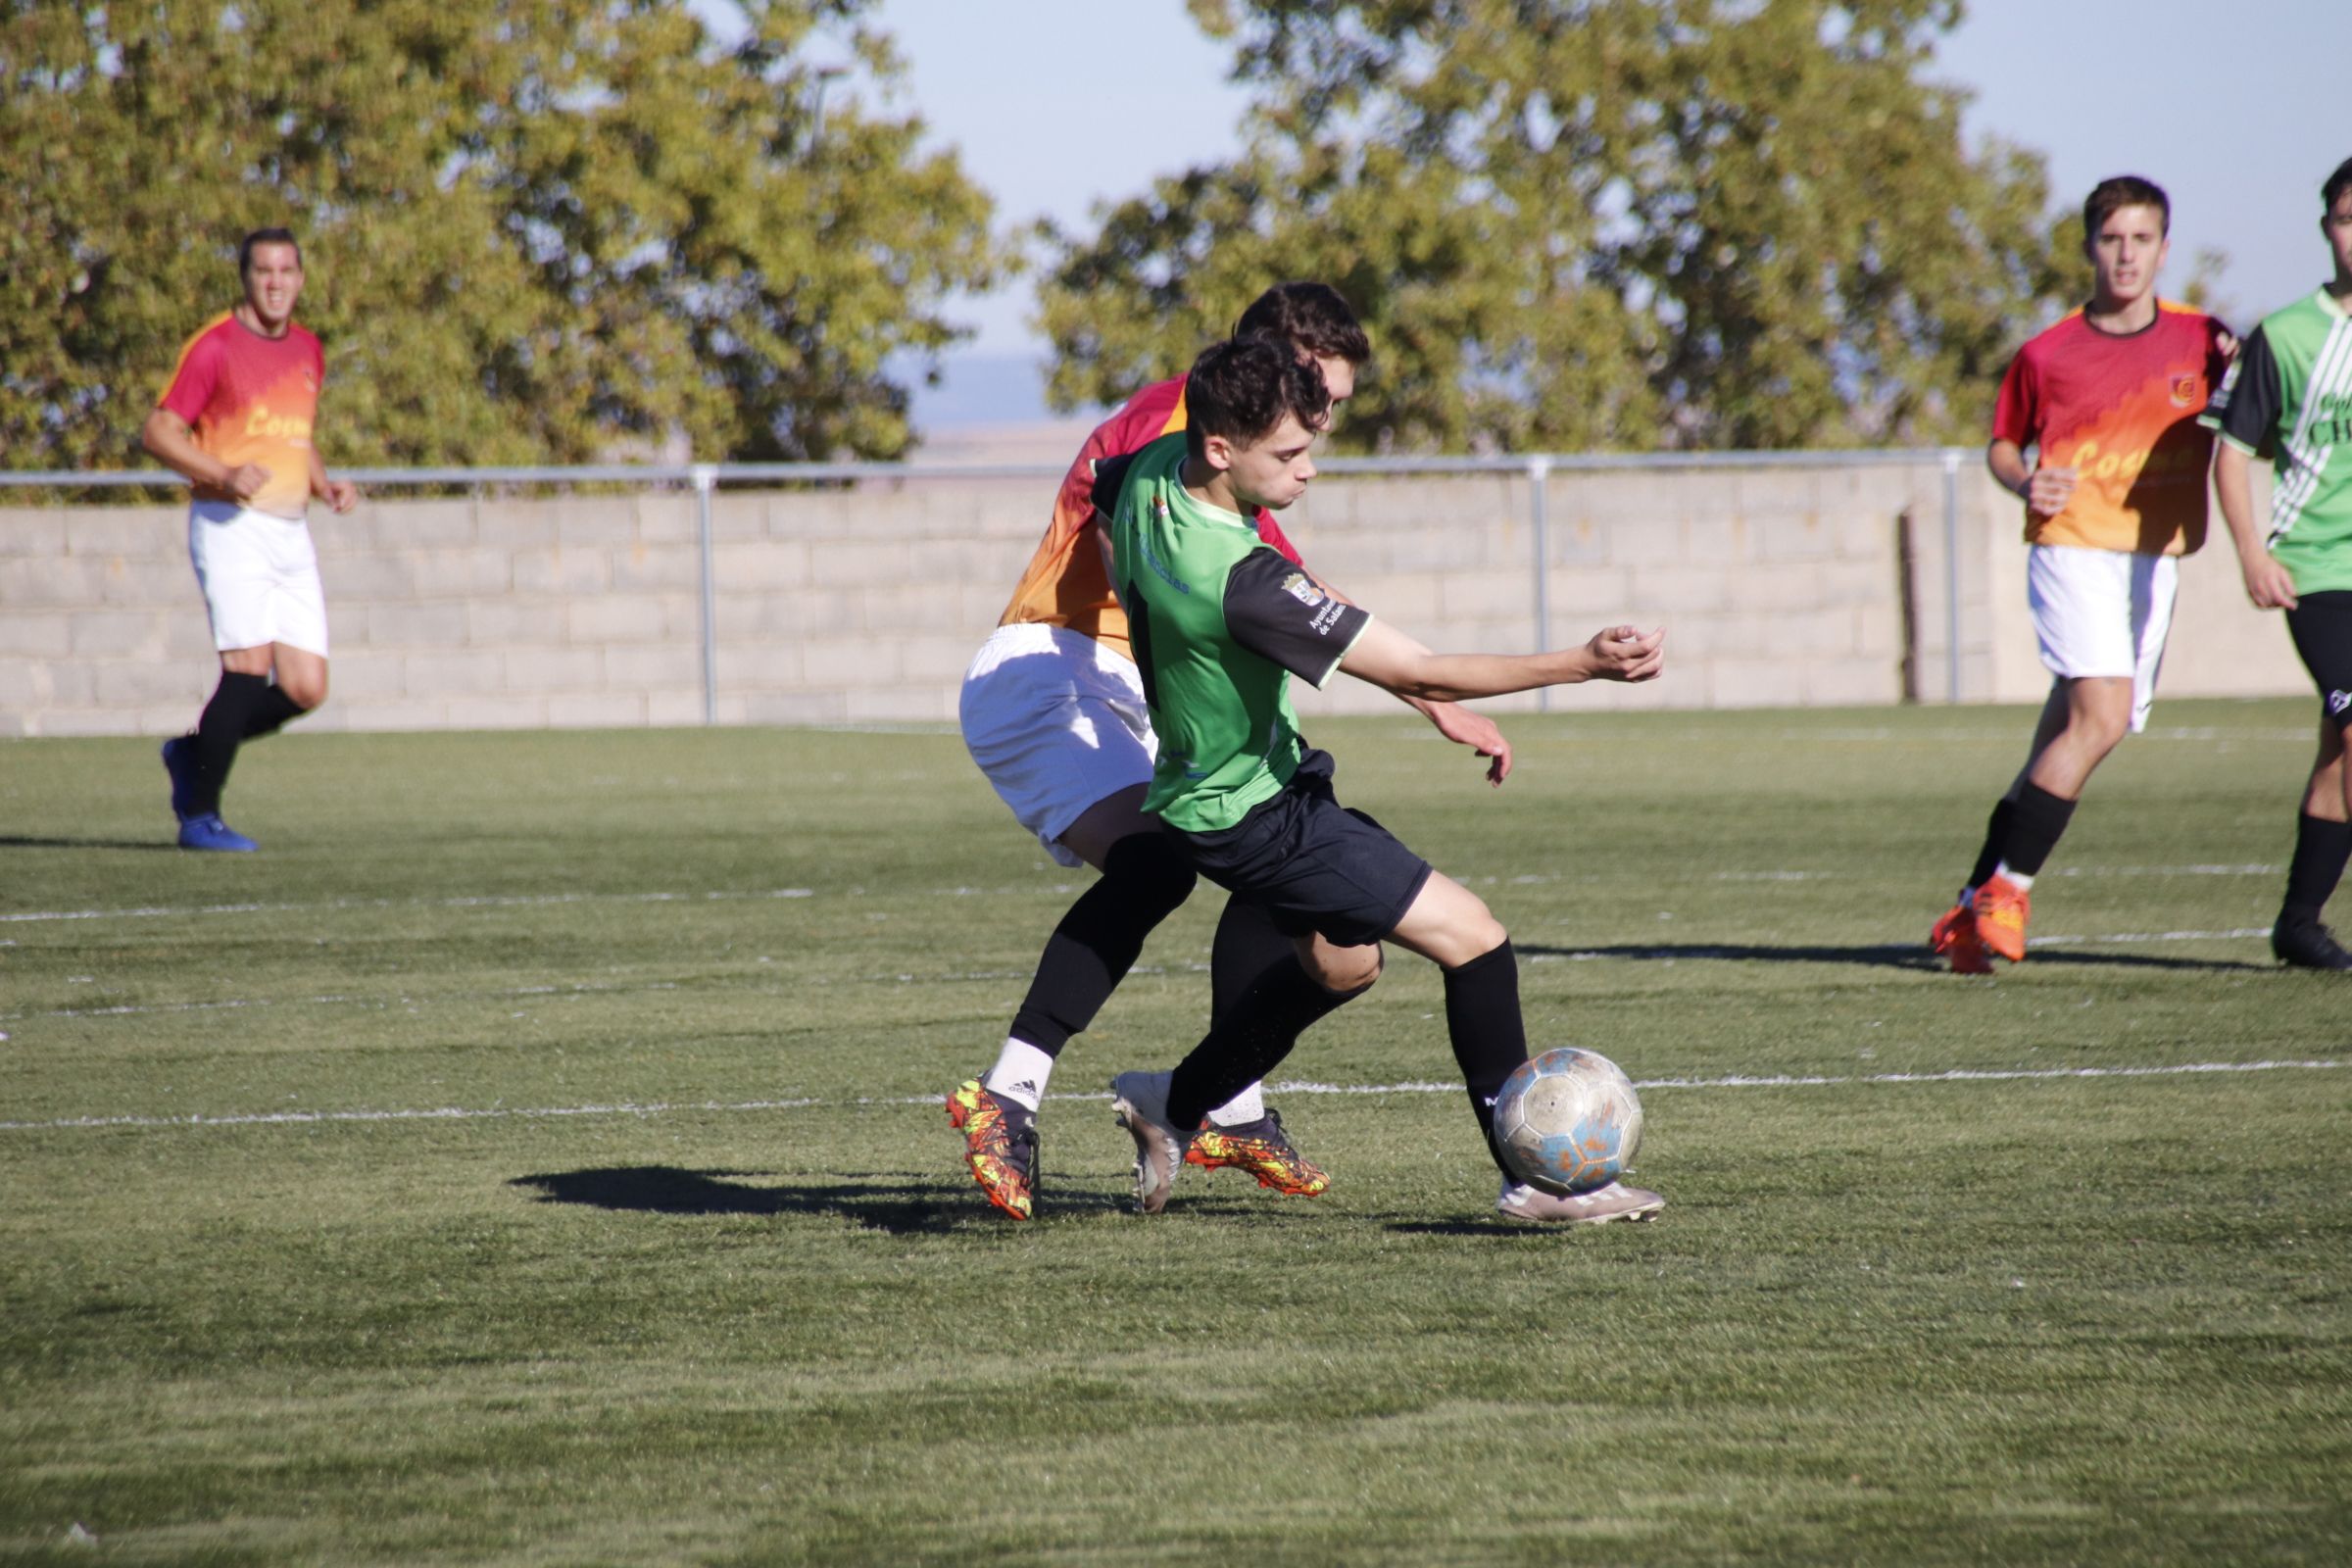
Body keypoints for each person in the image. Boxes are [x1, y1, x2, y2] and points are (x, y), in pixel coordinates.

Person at [947, 284, 1512, 1220]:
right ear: (1269, 367)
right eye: (1316, 397)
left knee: (1264, 853)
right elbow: (1141, 507)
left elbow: (1301, 603)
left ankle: (1217, 1103)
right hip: (1056, 662)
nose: (1322, 425)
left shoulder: (1232, 466)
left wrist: (1427, 701)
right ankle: (1006, 1096)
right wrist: (1432, 691)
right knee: (1167, 859)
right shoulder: (1179, 425)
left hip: (1122, 683)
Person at [1100, 334, 1668, 1224]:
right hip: (1255, 813)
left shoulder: (1149, 473)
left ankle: (1172, 1099)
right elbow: (1428, 669)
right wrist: (1581, 663)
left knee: (1343, 964)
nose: (1309, 471)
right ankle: (1537, 1181)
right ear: (1221, 449)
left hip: (1213, 791)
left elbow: (1099, 492)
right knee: (1474, 938)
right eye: (1288, 454)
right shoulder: (1246, 584)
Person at [1930, 177, 2232, 973]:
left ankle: (1969, 907)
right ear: (2090, 247)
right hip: (2071, 546)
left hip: (2154, 557)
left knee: (2066, 733)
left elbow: (2248, 421)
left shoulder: (2208, 341)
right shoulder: (2048, 352)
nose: (2126, 255)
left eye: (2141, 239)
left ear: (2164, 249)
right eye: (2112, 239)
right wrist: (2025, 479)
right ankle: (2010, 891)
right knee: (2102, 718)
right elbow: (2001, 444)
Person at [141, 227, 358, 853]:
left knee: (304, 688)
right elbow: (158, 432)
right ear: (246, 277)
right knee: (245, 670)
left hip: (291, 533)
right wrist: (224, 474)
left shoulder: (309, 350)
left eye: (287, 271)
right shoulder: (215, 348)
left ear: (301, 279)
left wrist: (324, 484)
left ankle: (192, 752)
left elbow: (295, 434)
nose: (276, 282)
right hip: (230, 526)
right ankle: (201, 815)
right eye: (264, 271)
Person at [2203, 156, 2352, 970]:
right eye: (2346, 217)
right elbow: (2230, 452)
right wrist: (2252, 553)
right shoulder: (2287, 336)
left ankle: (2299, 923)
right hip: (2320, 574)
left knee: (2342, 747)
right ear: (2326, 228)